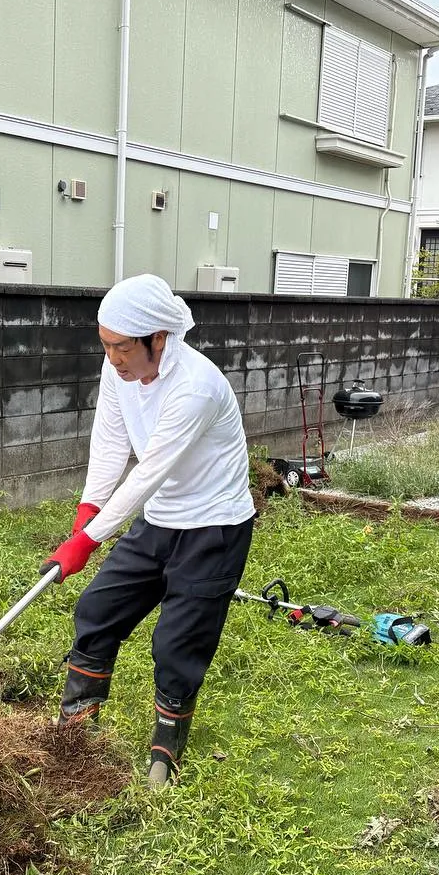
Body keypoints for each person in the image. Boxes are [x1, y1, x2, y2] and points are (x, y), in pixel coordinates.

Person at [41, 273, 256, 789]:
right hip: (158, 519)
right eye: (105, 346)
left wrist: (89, 540)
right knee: (98, 609)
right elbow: (111, 441)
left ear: (157, 339)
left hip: (213, 527)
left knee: (176, 641)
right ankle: (76, 730)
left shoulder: (196, 387)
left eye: (120, 348)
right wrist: (88, 509)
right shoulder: (118, 368)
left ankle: (166, 750)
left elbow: (149, 470)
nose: (112, 358)